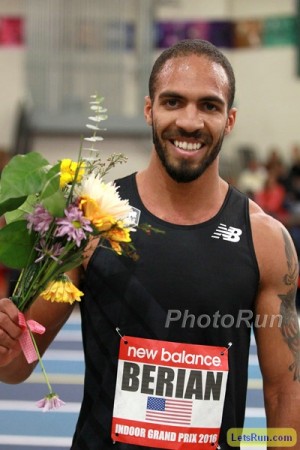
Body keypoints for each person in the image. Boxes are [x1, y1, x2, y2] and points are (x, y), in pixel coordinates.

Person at [0, 39, 300, 449]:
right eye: (173, 102)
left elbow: (284, 393)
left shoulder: (264, 240)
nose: (190, 122)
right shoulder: (89, 221)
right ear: (149, 110)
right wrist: (4, 340)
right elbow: (16, 366)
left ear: (230, 120)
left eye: (209, 106)